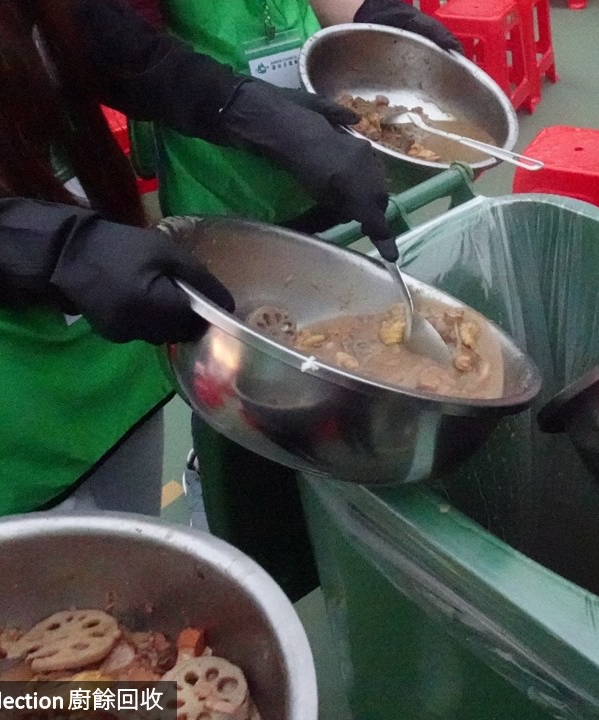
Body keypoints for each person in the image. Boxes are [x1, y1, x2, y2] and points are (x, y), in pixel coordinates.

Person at [0, 0, 396, 536]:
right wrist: (46, 250)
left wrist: (248, 110)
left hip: (100, 318)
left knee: (137, 551)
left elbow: (100, 39)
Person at [128, 0, 461, 600]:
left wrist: (368, 15)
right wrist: (253, 111)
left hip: (321, 140)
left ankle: (345, 541)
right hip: (224, 171)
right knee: (249, 402)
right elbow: (120, 48)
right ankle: (236, 528)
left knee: (343, 364)